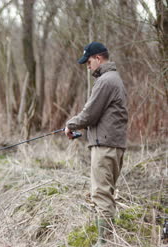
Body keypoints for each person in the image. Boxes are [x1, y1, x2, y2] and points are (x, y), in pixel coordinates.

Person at [65, 41, 128, 246]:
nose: (87, 65)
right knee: (107, 192)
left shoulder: (105, 81)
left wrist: (70, 125)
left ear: (98, 58)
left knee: (100, 193)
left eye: (89, 61)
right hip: (113, 144)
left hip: (105, 146)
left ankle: (103, 242)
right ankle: (111, 238)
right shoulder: (114, 79)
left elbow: (90, 114)